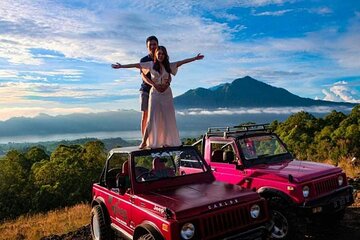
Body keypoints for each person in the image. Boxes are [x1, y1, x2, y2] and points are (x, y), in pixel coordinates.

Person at [111, 46, 204, 148]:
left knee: (167, 118)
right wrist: (121, 66)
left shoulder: (169, 66)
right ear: (155, 54)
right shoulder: (150, 64)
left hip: (166, 93)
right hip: (155, 93)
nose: (160, 55)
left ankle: (166, 142)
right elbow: (136, 65)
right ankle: (144, 141)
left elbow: (182, 62)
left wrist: (194, 58)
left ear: (165, 55)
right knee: (151, 118)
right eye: (159, 53)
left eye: (162, 54)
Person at [113, 36, 160, 137]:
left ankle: (156, 137)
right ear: (147, 46)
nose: (152, 46)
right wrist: (153, 84)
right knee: (145, 114)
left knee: (157, 116)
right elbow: (143, 75)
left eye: (154, 44)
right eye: (150, 45)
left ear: (158, 45)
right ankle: (144, 139)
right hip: (146, 90)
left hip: (158, 92)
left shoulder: (161, 58)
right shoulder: (144, 60)